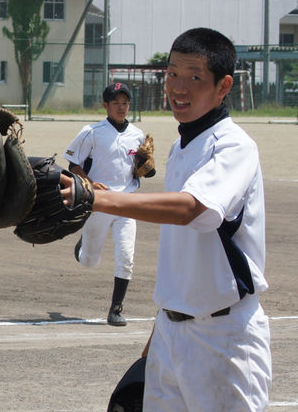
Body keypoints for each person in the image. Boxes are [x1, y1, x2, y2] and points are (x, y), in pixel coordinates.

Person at [66, 28, 270, 411]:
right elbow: (181, 254)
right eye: (172, 73)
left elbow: (191, 209)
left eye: (194, 77)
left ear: (224, 86)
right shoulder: (180, 147)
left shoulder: (234, 146)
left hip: (225, 337)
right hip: (170, 332)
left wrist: (99, 199)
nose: (178, 87)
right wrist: (158, 336)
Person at [63, 82, 148, 326]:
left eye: (125, 103)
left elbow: (141, 170)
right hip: (99, 202)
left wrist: (146, 167)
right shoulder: (91, 132)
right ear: (106, 105)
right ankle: (82, 247)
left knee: (126, 256)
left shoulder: (138, 135)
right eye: (116, 103)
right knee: (90, 260)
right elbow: (73, 165)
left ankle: (116, 309)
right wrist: (90, 183)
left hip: (127, 202)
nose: (121, 107)